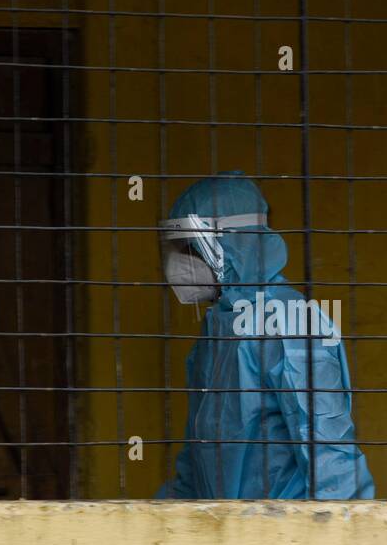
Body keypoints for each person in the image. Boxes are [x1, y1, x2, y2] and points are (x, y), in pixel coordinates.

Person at [156, 171, 375, 500]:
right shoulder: (217, 331)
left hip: (285, 536)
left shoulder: (289, 321)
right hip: (221, 536)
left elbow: (330, 455)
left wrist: (339, 540)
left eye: (188, 248)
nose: (179, 263)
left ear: (226, 241)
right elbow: (196, 460)